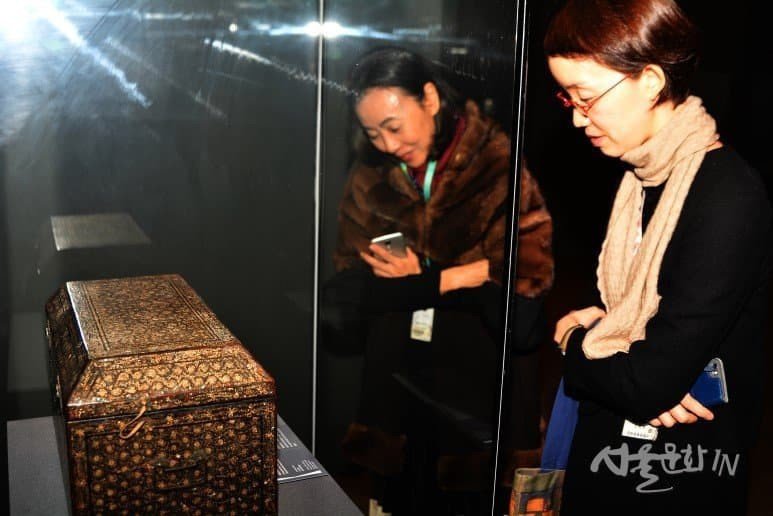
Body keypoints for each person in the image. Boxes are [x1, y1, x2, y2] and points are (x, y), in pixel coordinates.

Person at [545, 0, 772, 513]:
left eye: (587, 98)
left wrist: (573, 340)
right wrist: (626, 362)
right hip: (610, 451)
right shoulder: (638, 179)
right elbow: (622, 329)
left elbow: (645, 382)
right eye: (568, 99)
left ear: (650, 80)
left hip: (682, 472)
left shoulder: (727, 196)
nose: (578, 119)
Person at [324, 47, 554, 504]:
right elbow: (342, 300)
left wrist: (414, 282)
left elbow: (523, 314)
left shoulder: (497, 168)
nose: (387, 145)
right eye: (372, 133)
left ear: (429, 99)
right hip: (398, 398)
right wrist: (454, 278)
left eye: (393, 127)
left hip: (475, 403)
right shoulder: (372, 177)